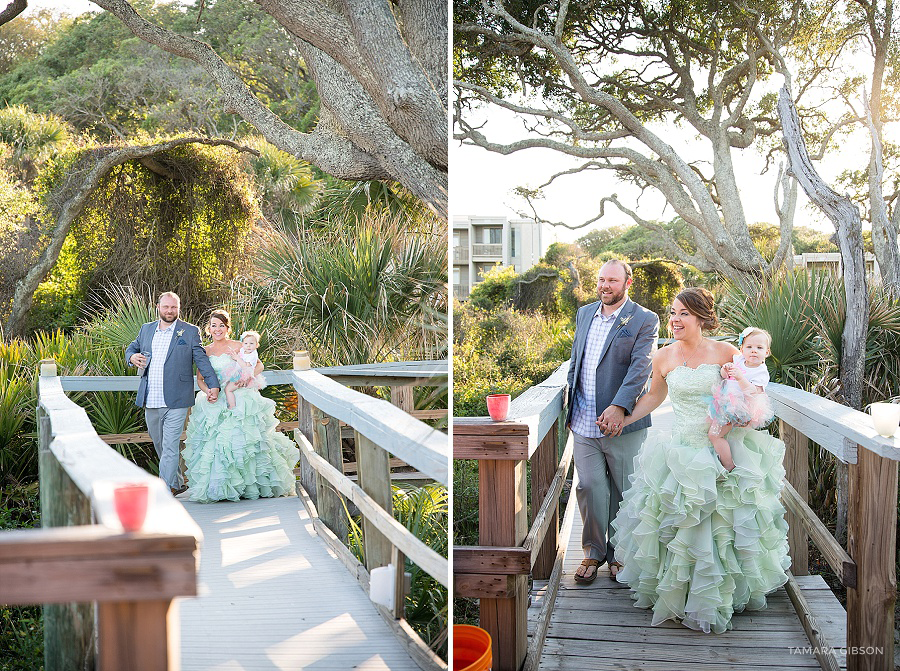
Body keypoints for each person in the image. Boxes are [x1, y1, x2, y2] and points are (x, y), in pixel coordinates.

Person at [609, 288, 790, 634]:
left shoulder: (725, 351)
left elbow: (750, 387)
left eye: (684, 314)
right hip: (678, 447)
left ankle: (718, 595)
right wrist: (625, 419)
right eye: (673, 313)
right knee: (679, 524)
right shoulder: (663, 357)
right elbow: (653, 397)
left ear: (702, 318)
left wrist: (743, 413)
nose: (675, 320)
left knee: (719, 525)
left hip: (718, 443)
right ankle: (680, 594)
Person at [566, 259, 659, 584]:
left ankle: (620, 553)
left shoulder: (644, 319)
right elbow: (577, 358)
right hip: (583, 421)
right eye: (602, 280)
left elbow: (641, 367)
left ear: (627, 283)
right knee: (590, 487)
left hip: (623, 424)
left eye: (613, 281)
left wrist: (620, 406)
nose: (605, 286)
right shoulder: (584, 313)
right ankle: (593, 553)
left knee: (624, 490)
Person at [182, 309, 297, 503]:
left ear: (227, 328)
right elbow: (200, 378)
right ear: (208, 329)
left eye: (221, 325)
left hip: (239, 394)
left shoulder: (238, 345)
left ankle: (249, 485)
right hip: (214, 397)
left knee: (243, 440)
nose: (217, 329)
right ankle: (222, 487)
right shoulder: (205, 350)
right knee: (216, 445)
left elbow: (259, 364)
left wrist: (248, 375)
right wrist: (206, 391)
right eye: (213, 325)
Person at [125, 292, 221, 496]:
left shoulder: (189, 331)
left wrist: (214, 384)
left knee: (170, 446)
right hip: (150, 399)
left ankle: (164, 491)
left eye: (174, 307)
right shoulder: (146, 329)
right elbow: (132, 347)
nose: (170, 311)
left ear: (179, 308)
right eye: (166, 307)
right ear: (158, 306)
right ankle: (176, 482)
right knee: (159, 445)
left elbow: (201, 360)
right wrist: (132, 356)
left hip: (177, 400)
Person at [707, 326, 775, 471]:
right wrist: (725, 369)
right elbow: (726, 377)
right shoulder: (738, 360)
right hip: (726, 403)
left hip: (741, 407)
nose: (754, 350)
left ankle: (728, 465)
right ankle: (726, 457)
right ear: (742, 349)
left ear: (767, 352)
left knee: (714, 435)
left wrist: (740, 377)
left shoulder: (761, 372)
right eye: (749, 347)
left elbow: (753, 391)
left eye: (759, 347)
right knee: (713, 431)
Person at [223, 330, 266, 409]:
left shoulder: (253, 355)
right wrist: (234, 353)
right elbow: (240, 353)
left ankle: (232, 406)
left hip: (243, 375)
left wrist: (237, 358)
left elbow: (245, 366)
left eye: (251, 343)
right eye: (246, 343)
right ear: (242, 344)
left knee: (228, 389)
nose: (248, 346)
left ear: (257, 345)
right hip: (238, 372)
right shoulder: (244, 350)